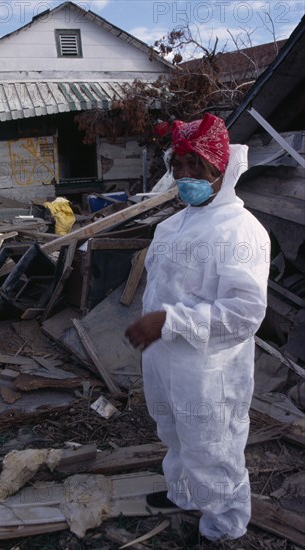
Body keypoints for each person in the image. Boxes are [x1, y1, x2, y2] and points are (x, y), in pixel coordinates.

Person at [125, 113, 270, 541]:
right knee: (174, 434)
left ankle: (224, 526)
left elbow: (244, 314)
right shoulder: (172, 225)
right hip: (167, 362)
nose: (185, 175)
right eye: (179, 166)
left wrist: (169, 321)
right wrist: (158, 326)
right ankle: (184, 494)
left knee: (213, 448)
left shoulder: (241, 230)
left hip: (209, 371)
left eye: (197, 166)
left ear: (220, 170)